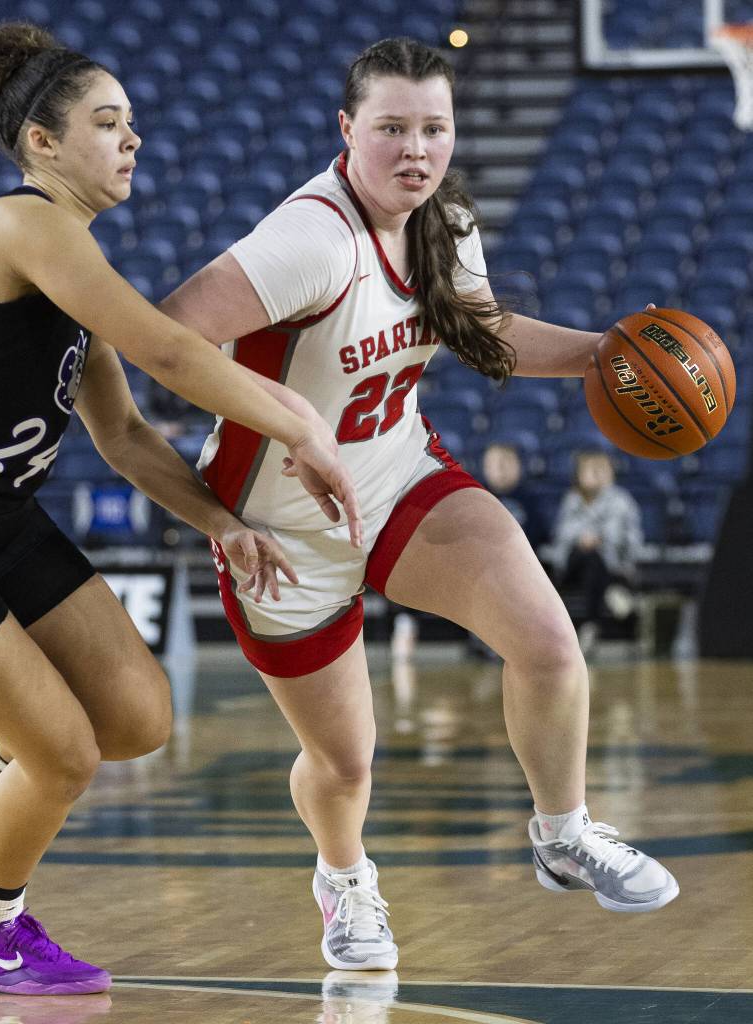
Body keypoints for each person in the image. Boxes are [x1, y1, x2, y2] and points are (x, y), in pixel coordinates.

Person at [0, 22, 362, 996]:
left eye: (134, 124)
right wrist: (300, 429)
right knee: (61, 751)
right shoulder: (21, 226)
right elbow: (174, 354)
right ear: (42, 143)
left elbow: (126, 438)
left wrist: (222, 523)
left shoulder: (74, 268)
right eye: (107, 123)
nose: (131, 140)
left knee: (137, 715)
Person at [159, 37, 679, 972]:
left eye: (433, 128)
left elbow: (480, 333)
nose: (414, 149)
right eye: (391, 128)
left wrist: (607, 354)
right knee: (345, 765)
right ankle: (343, 878)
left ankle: (562, 832)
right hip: (281, 531)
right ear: (347, 131)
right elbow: (169, 336)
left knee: (549, 645)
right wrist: (291, 426)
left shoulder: (445, 219)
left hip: (399, 475)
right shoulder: (310, 239)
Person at [547, 449, 643, 654]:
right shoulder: (571, 499)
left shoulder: (621, 501)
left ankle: (591, 625)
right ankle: (612, 596)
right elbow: (561, 536)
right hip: (574, 564)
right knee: (587, 557)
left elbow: (630, 540)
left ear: (611, 473)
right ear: (579, 474)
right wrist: (582, 538)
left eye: (601, 469)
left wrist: (601, 539)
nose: (596, 474)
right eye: (590, 469)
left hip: (609, 563)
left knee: (594, 560)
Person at [479, 440, 546, 547]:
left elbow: (538, 537)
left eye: (506, 462)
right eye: (493, 464)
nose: (500, 469)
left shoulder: (531, 499)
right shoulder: (475, 497)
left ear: (518, 466)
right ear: (485, 467)